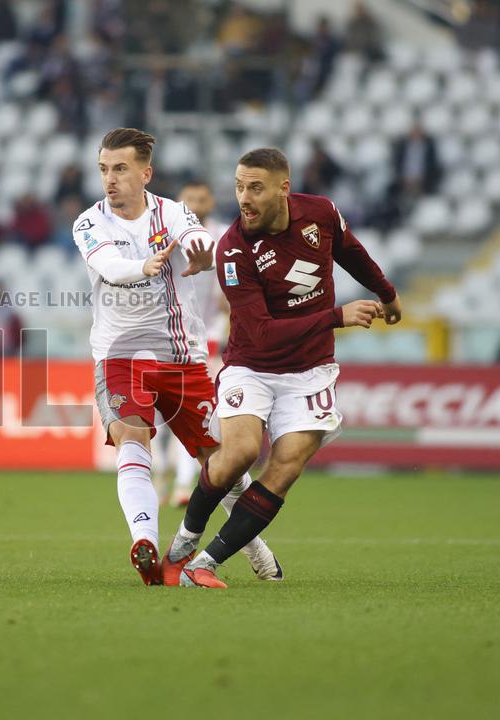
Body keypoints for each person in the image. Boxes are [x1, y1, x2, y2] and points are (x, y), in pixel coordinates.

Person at [171, 147, 401, 588]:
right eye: (238, 187)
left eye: (255, 187)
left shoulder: (321, 213)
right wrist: (337, 315)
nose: (244, 198)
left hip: (311, 371)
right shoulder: (234, 250)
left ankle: (206, 563)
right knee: (236, 455)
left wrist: (386, 293)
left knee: (285, 467)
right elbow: (261, 333)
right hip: (251, 366)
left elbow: (350, 251)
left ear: (283, 188)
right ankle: (187, 535)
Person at [73, 128, 281, 587]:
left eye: (121, 168)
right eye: (104, 169)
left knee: (222, 460)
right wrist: (143, 266)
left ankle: (254, 547)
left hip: (183, 358)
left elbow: (198, 240)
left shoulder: (173, 211)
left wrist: (202, 254)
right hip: (120, 358)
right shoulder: (90, 222)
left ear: (145, 173)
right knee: (133, 439)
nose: (110, 178)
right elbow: (108, 265)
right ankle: (144, 542)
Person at [152, 180, 230, 508]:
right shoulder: (164, 235)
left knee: (198, 411)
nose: (196, 204)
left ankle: (184, 484)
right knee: (156, 413)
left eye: (202, 198)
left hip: (206, 334)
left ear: (211, 201)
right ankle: (159, 471)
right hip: (166, 331)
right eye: (190, 199)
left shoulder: (223, 235)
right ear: (179, 203)